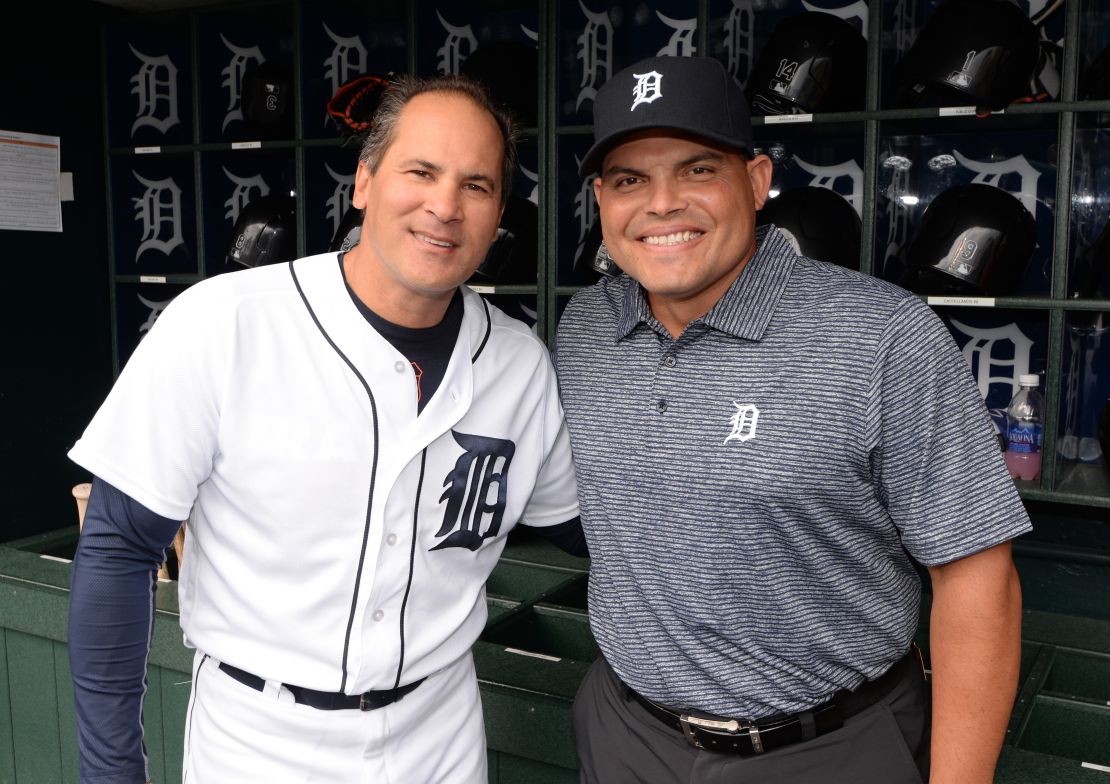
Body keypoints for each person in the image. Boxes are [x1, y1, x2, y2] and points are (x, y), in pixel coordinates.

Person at [67, 73, 583, 784]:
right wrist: (110, 773)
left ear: (498, 216)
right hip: (261, 740)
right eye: (421, 172)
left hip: (439, 737)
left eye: (476, 185)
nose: (444, 206)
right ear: (365, 182)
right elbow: (119, 547)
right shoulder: (225, 322)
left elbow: (592, 529)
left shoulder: (521, 366)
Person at [555, 55, 1030, 784]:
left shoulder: (882, 336)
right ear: (600, 198)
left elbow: (976, 578)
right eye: (629, 180)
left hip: (825, 749)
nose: (662, 204)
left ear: (755, 180)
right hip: (627, 735)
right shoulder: (584, 327)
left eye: (697, 170)